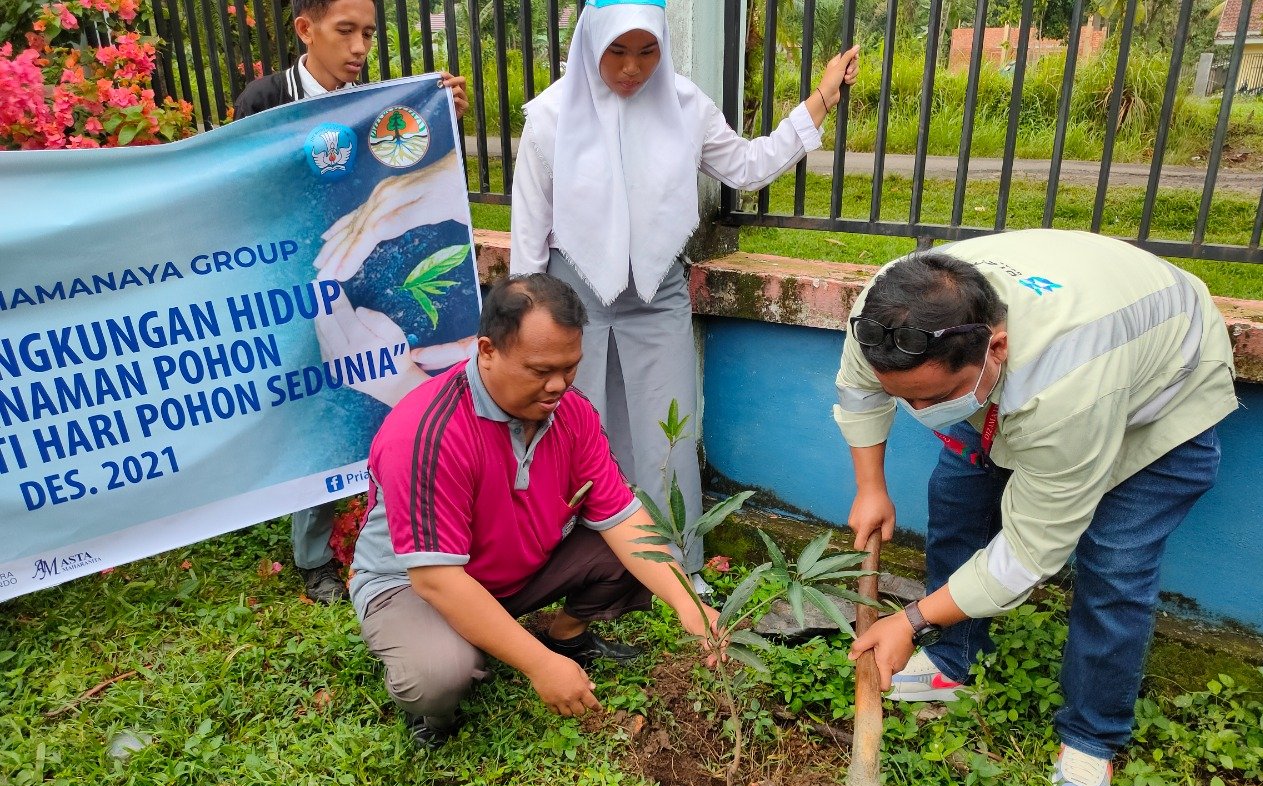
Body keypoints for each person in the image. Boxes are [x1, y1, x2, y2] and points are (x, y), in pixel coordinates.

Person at [834, 229, 1237, 786]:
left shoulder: (1067, 383)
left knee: (1115, 565)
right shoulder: (886, 313)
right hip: (1073, 333)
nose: (920, 414)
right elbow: (859, 391)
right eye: (907, 399)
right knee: (956, 500)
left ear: (994, 349)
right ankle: (953, 661)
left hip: (1161, 397)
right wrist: (870, 488)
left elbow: (1028, 555)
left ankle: (1090, 738)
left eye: (934, 398)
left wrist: (912, 620)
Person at [509, 0, 859, 580]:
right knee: (574, 430)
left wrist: (819, 100)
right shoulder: (549, 117)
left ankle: (676, 566)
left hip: (657, 292)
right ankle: (579, 571)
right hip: (571, 299)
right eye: (617, 53)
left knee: (668, 429)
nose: (632, 69)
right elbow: (528, 237)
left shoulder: (685, 106)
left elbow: (747, 167)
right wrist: (528, 323)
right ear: (591, 45)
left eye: (647, 52)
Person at [349, 274, 724, 746]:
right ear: (487, 350)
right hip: (414, 584)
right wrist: (539, 666)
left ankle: (563, 636)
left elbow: (623, 517)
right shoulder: (429, 434)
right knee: (439, 674)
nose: (558, 386)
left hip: (510, 572)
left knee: (635, 549)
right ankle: (434, 706)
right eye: (539, 369)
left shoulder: (570, 411)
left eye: (570, 367)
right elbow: (436, 579)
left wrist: (688, 604)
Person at [231, 0, 470, 602]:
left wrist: (442, 116)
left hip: (362, 274)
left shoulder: (382, 104)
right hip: (293, 283)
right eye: (346, 32)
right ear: (305, 30)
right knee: (317, 406)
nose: (360, 47)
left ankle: (387, 537)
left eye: (367, 33)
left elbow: (405, 167)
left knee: (372, 402)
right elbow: (243, 192)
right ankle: (314, 553)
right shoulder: (265, 100)